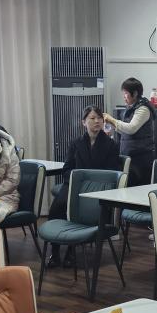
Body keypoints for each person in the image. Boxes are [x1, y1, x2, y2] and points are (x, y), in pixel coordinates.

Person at [47, 105, 121, 267]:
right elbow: (67, 168)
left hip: (97, 189)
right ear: (83, 122)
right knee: (58, 206)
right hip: (75, 186)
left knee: (79, 210)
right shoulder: (76, 143)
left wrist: (89, 183)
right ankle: (55, 251)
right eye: (92, 118)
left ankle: (71, 250)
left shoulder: (111, 145)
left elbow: (112, 172)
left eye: (99, 118)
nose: (97, 121)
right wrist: (76, 181)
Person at [104, 77, 155, 186]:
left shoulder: (143, 109)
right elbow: (126, 131)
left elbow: (131, 129)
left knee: (139, 188)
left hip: (141, 158)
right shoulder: (131, 107)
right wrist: (113, 125)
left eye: (126, 93)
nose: (124, 96)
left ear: (135, 93)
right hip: (130, 155)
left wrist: (112, 120)